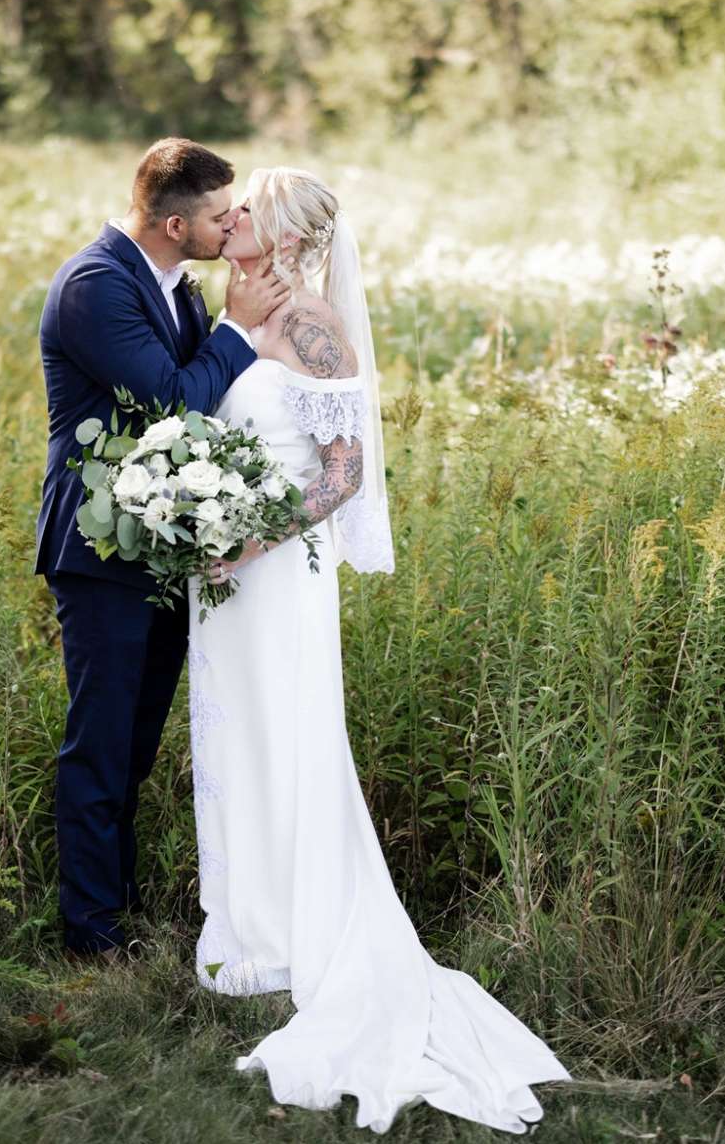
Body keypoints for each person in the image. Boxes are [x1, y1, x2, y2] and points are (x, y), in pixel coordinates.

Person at [186, 167, 571, 1133]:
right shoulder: (235, 307)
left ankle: (304, 931)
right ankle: (253, 935)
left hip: (278, 572)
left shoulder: (315, 326)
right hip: (229, 578)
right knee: (242, 740)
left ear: (280, 232)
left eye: (245, 212)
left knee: (294, 736)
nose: (229, 221)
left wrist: (251, 538)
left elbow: (343, 477)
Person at [35, 138, 290, 958]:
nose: (235, 223)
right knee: (102, 742)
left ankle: (118, 905)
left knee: (136, 743)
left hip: (161, 545)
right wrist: (240, 330)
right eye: (222, 215)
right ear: (176, 223)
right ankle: (89, 934)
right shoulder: (94, 287)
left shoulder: (176, 288)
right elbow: (176, 404)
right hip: (99, 550)